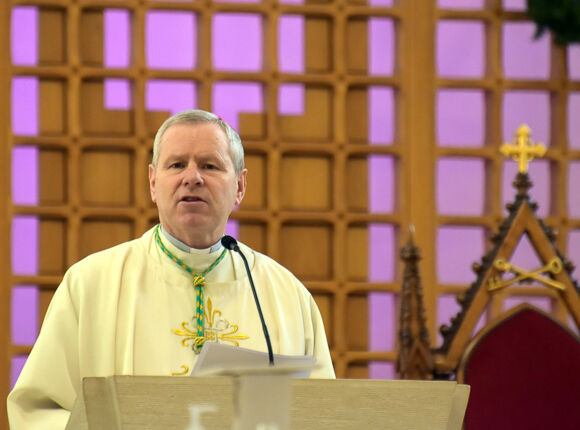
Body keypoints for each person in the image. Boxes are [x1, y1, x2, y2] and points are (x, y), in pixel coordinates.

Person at [7, 109, 335, 429]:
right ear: (153, 182)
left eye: (210, 165)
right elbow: (38, 410)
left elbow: (325, 415)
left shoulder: (286, 295)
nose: (192, 177)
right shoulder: (91, 284)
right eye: (177, 164)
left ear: (240, 186)